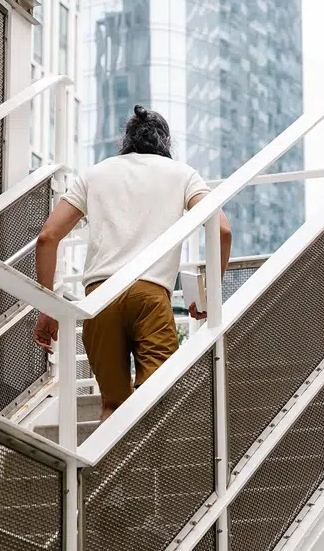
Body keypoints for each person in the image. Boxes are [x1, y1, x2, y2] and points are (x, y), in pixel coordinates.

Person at [33, 105, 232, 421]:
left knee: (113, 406)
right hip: (150, 298)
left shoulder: (95, 174)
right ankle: (153, 468)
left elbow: (47, 237)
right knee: (158, 403)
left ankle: (111, 470)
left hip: (99, 299)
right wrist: (210, 296)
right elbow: (221, 230)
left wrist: (47, 306)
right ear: (165, 143)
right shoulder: (182, 174)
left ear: (125, 141)